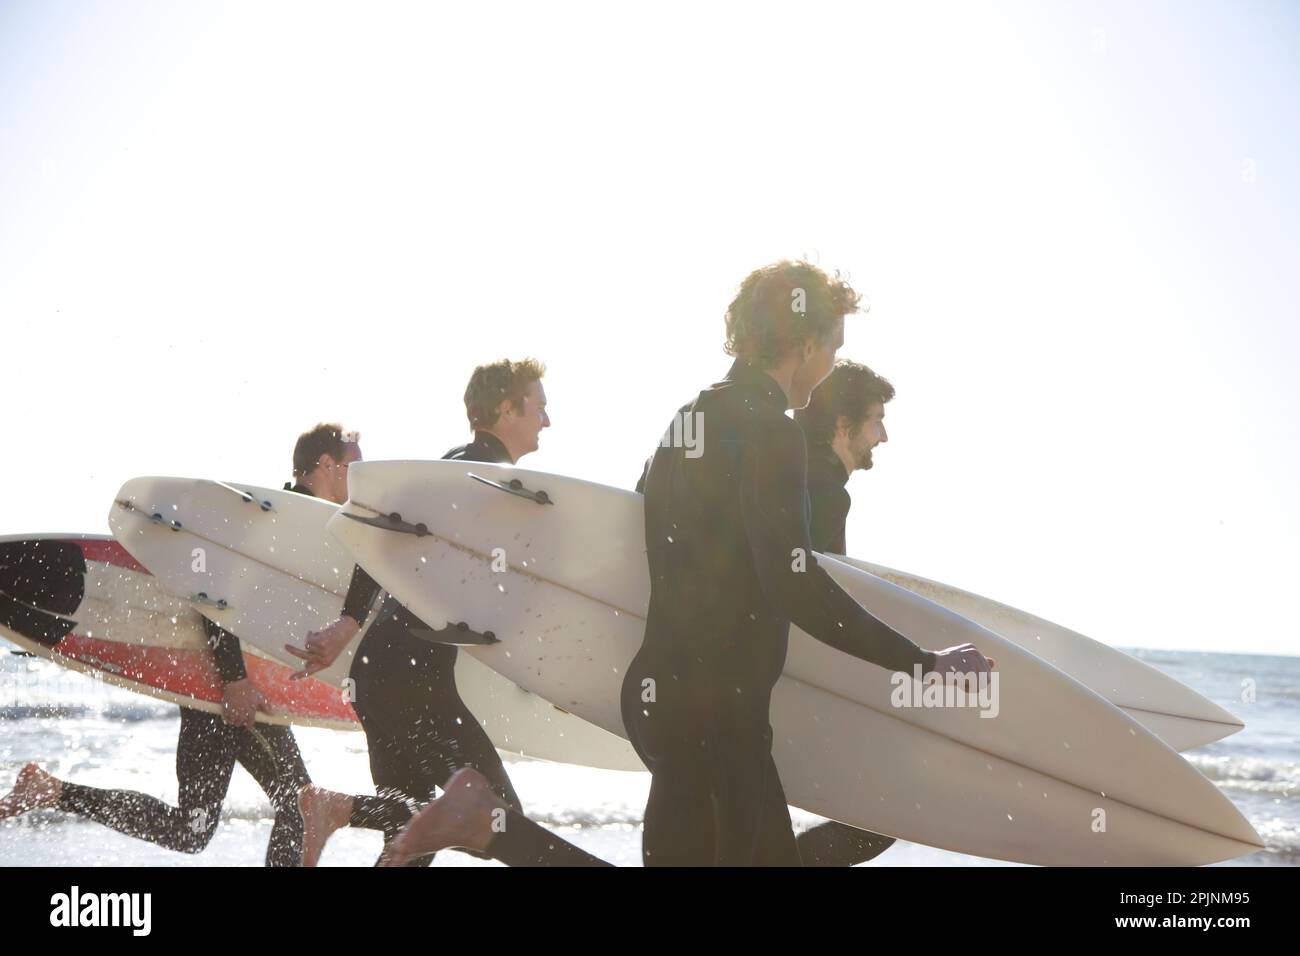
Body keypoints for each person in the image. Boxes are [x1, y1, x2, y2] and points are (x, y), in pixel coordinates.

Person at [623, 260, 993, 866]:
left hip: (668, 699)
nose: (828, 369)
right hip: (718, 722)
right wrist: (921, 662)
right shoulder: (771, 430)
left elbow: (645, 531)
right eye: (833, 346)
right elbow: (794, 582)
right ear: (803, 342)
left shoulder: (688, 417)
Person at [0, 424, 359, 865]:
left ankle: (51, 790)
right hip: (227, 685)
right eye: (351, 466)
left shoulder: (314, 535)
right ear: (324, 465)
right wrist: (234, 680)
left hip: (237, 683)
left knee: (196, 828)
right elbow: (214, 590)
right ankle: (51, 790)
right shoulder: (274, 520)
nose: (356, 479)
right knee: (294, 806)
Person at [289, 359, 557, 867]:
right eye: (539, 408)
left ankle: (343, 809)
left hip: (385, 670)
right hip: (411, 675)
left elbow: (390, 533)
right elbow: (389, 529)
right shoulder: (484, 475)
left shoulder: (459, 467)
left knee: (407, 843)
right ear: (505, 409)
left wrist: (349, 625)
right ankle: (337, 807)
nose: (547, 421)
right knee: (498, 816)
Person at [789, 359, 899, 865]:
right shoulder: (822, 492)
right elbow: (803, 594)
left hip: (752, 680)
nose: (882, 435)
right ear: (841, 424)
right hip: (782, 682)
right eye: (876, 419)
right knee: (879, 819)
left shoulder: (794, 471)